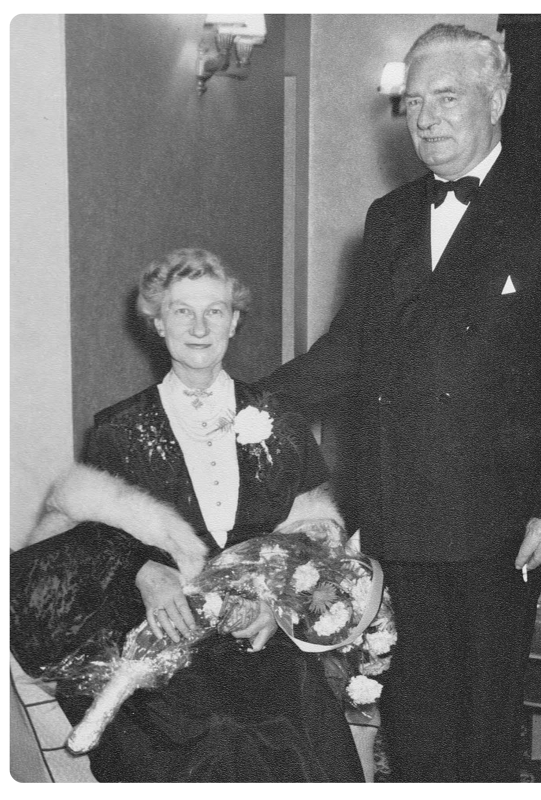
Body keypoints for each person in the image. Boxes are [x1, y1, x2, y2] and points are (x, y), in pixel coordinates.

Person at [256, 24, 541, 782]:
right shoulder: (391, 217)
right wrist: (247, 398)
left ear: (496, 99)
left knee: (484, 720)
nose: (427, 119)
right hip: (401, 506)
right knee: (414, 714)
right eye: (414, 102)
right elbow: (350, 349)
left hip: (504, 519)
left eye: (447, 98)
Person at [10, 248, 365, 783]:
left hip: (262, 641)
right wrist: (141, 571)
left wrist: (278, 609)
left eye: (215, 311)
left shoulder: (279, 418)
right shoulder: (117, 429)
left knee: (293, 739)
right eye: (182, 311)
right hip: (162, 644)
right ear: (158, 322)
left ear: (234, 321)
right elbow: (85, 541)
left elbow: (314, 538)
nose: (199, 328)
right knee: (209, 742)